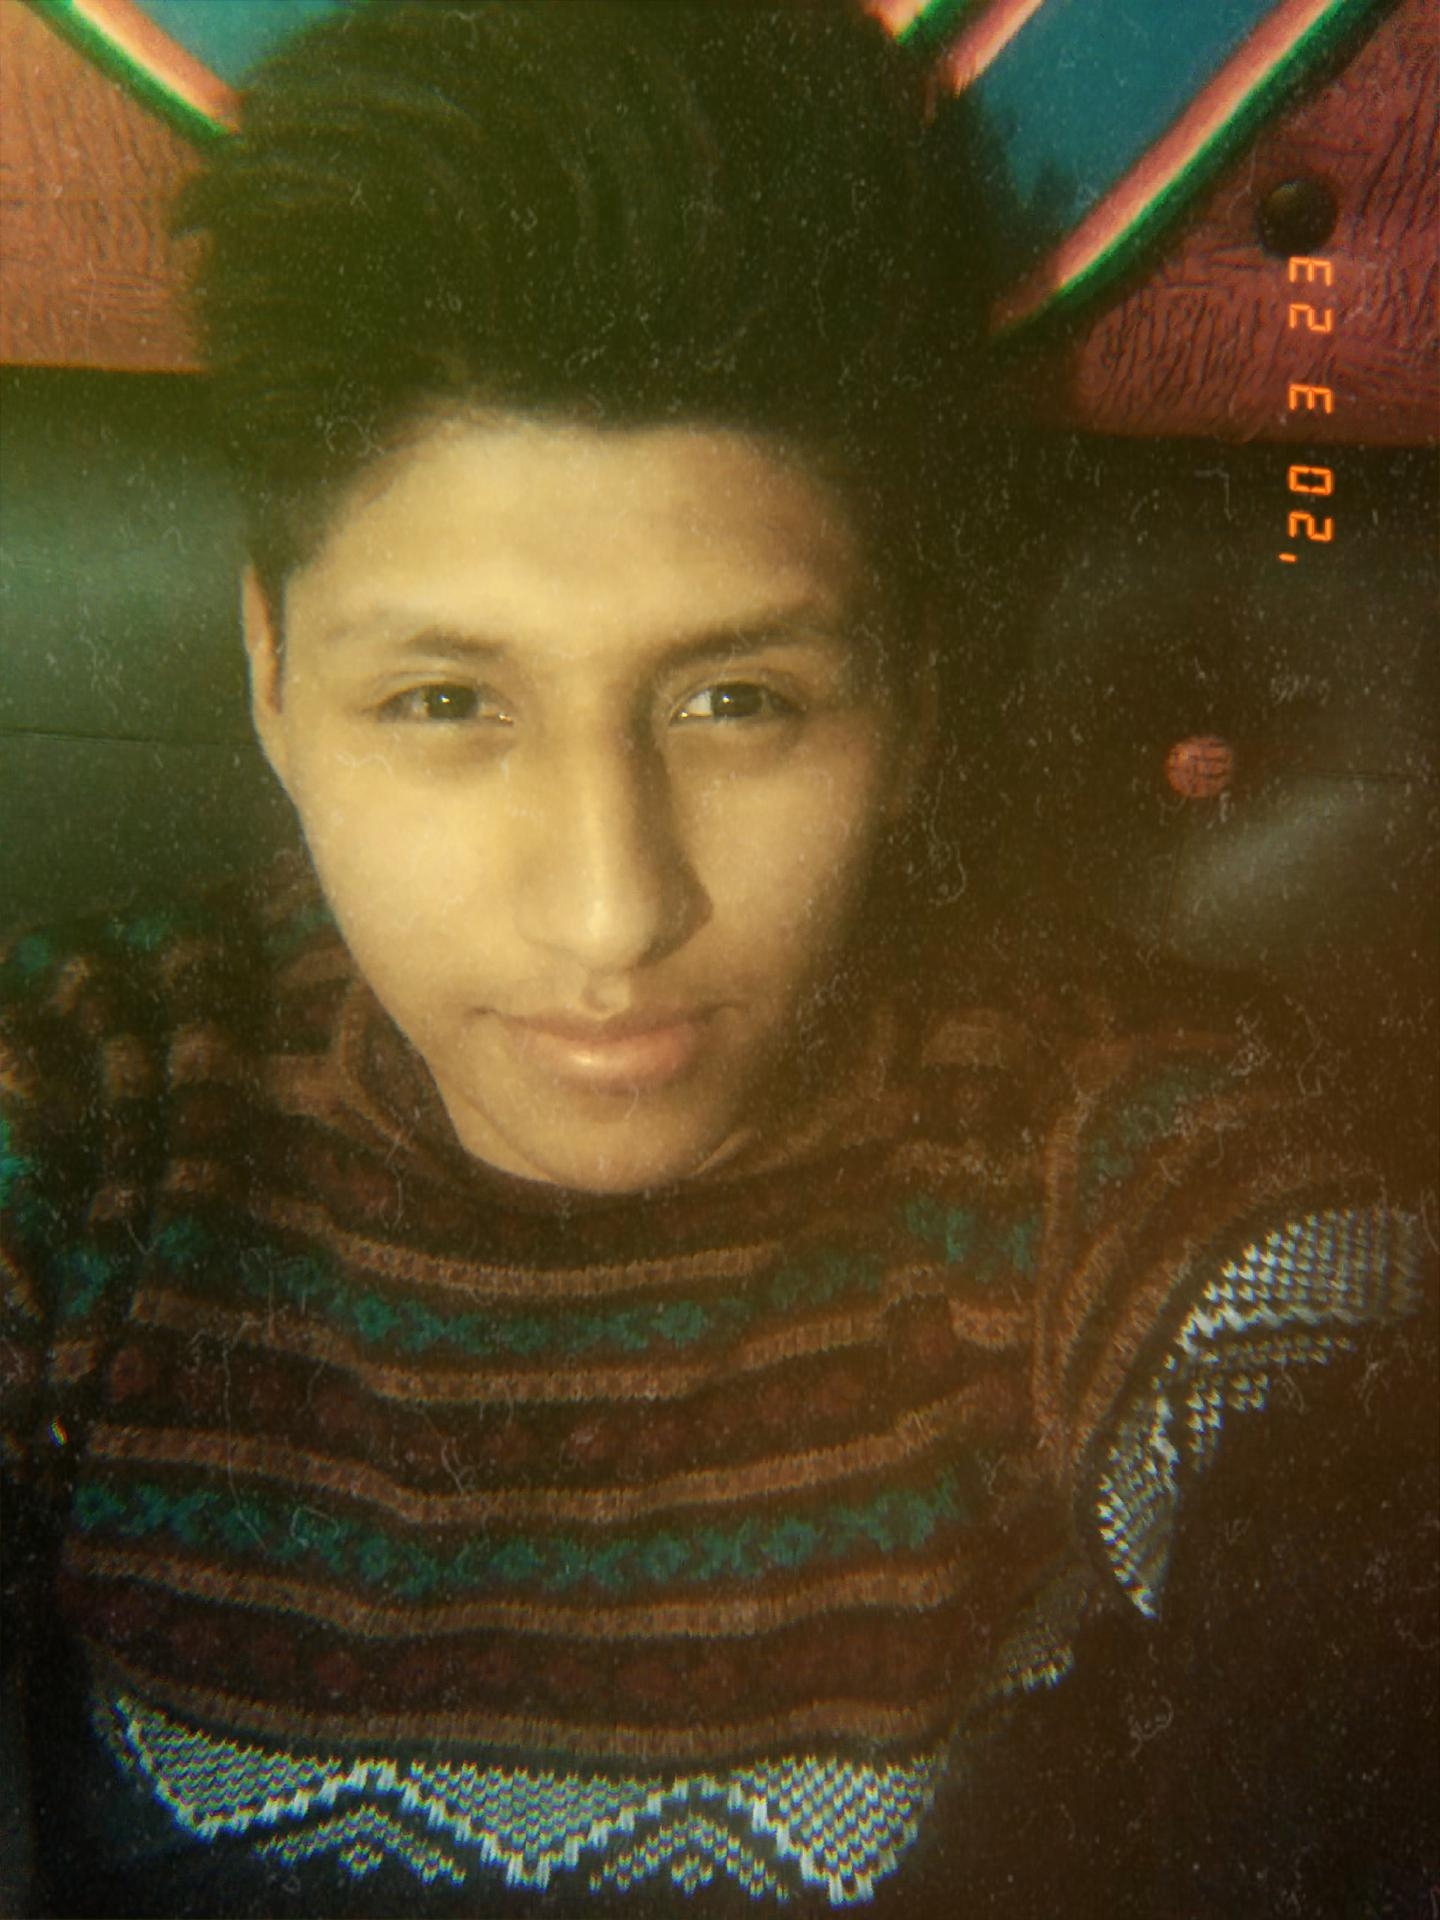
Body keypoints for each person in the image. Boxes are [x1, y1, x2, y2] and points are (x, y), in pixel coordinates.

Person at [1, 4, 1433, 1915]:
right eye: (445, 702)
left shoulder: (1104, 1145)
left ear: (912, 696)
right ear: (270, 671)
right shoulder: (93, 1106)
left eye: (738, 699)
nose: (613, 913)